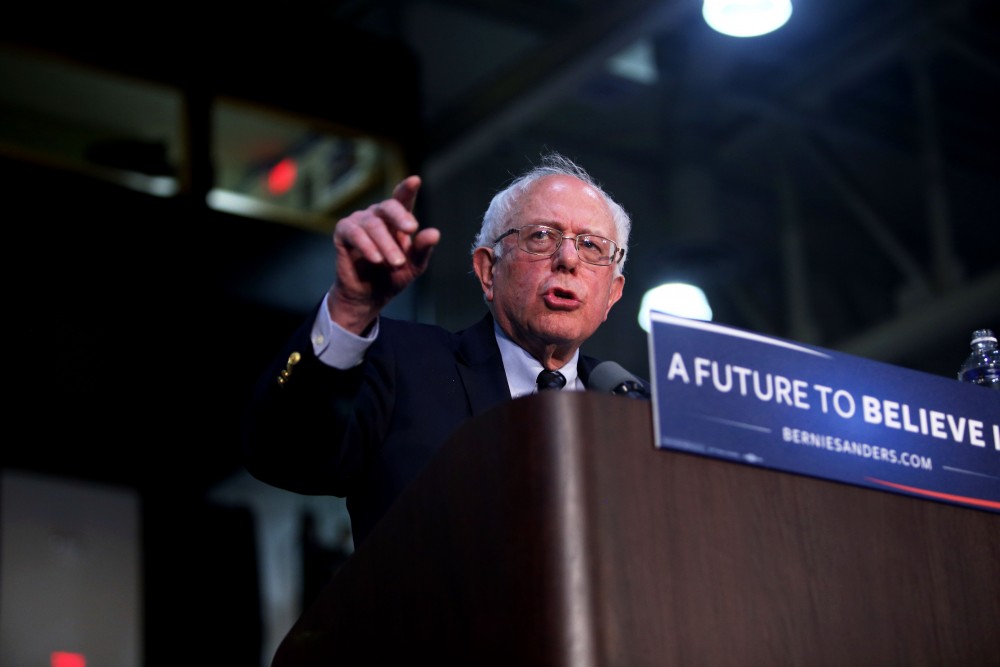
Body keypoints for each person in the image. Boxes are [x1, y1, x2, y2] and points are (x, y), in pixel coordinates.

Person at [242, 151, 646, 548]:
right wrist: (350, 309)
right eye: (542, 236)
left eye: (592, 246)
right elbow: (281, 453)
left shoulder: (634, 410)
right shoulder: (404, 365)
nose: (568, 259)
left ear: (612, 293)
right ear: (489, 271)